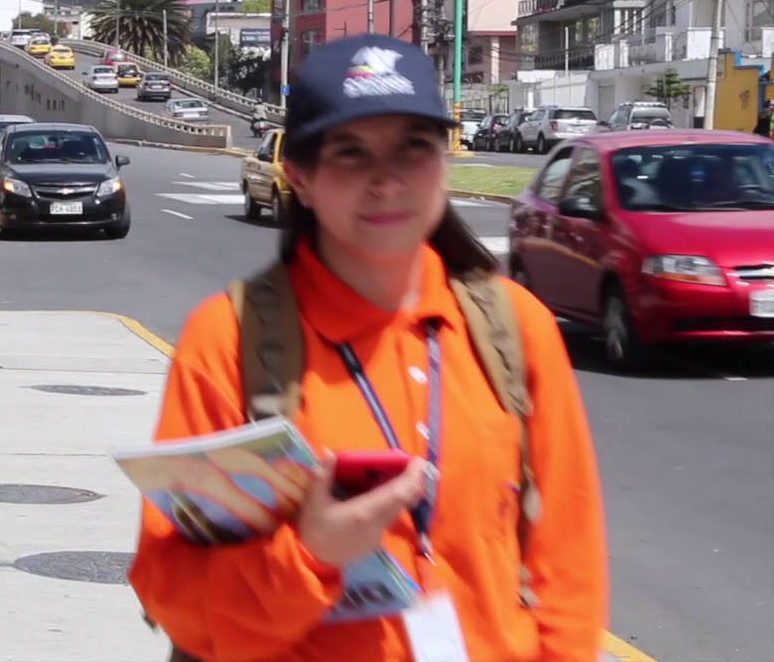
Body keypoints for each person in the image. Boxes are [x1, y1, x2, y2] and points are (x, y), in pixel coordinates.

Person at [128, 34, 607, 662]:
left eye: (414, 147)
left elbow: (567, 567)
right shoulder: (229, 340)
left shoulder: (516, 327)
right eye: (350, 153)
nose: (387, 182)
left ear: (444, 159)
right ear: (299, 176)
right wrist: (309, 554)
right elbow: (173, 595)